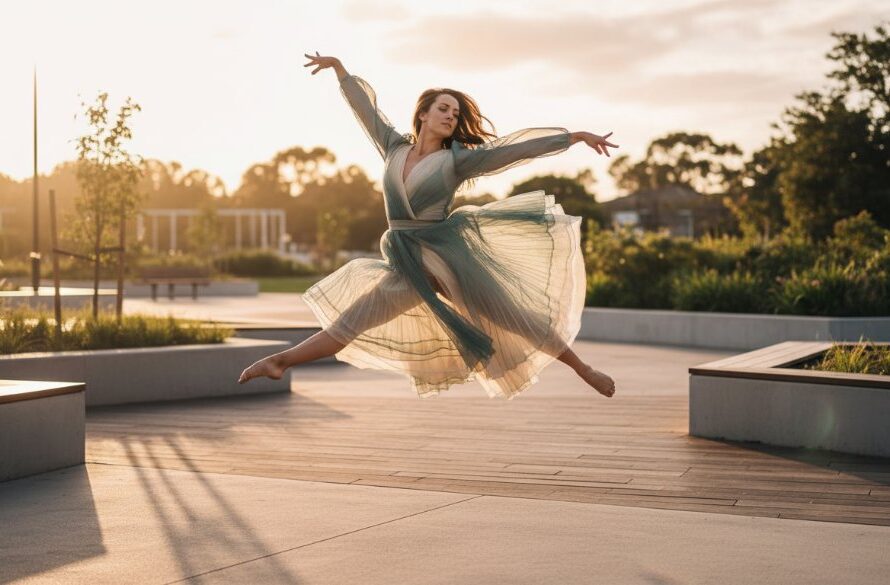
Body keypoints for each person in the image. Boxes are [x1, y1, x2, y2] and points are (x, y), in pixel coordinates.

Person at [238, 52, 618, 400]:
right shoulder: (393, 148)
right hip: (406, 265)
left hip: (446, 259)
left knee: (512, 315)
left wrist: (574, 137)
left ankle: (583, 369)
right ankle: (280, 362)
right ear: (423, 114)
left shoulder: (458, 161)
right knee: (348, 323)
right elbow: (367, 110)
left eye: (455, 113)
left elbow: (511, 150)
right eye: (443, 108)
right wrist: (341, 71)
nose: (451, 116)